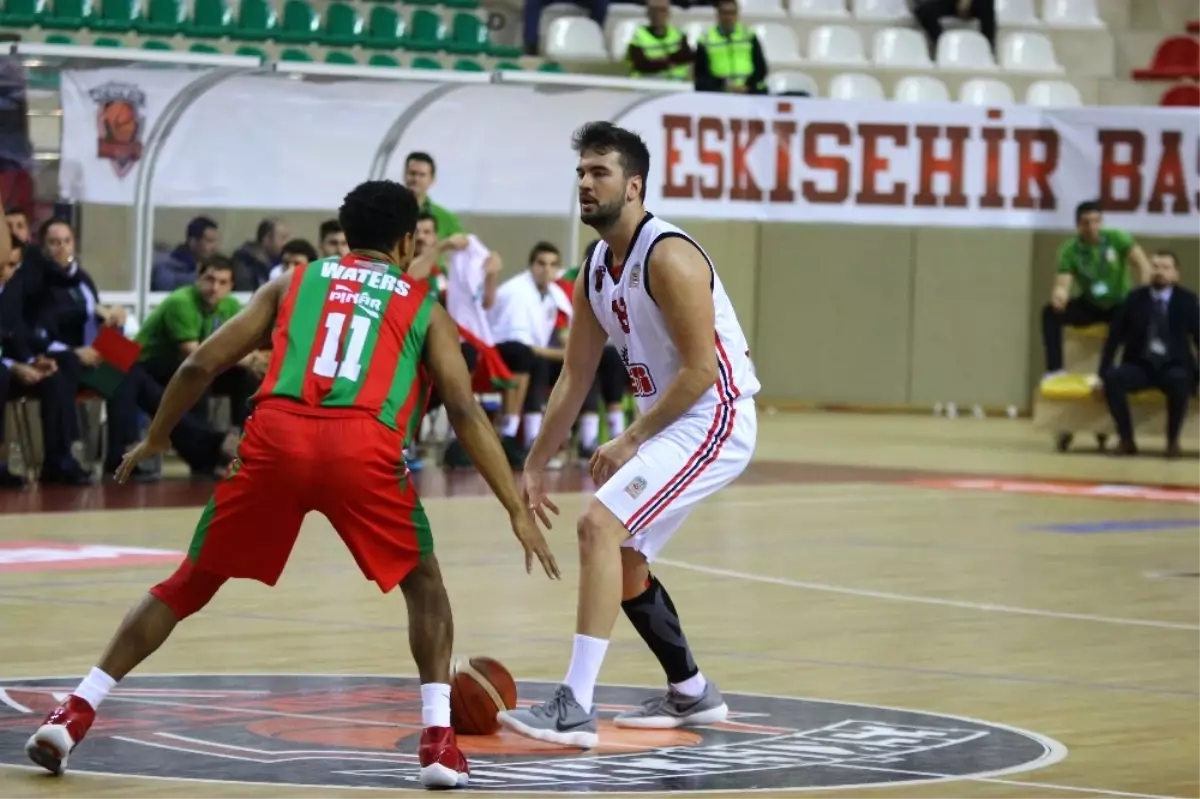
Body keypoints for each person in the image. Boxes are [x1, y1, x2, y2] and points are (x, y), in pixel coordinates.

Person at [24, 180, 559, 789]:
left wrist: (156, 438)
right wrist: (514, 504)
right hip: (362, 444)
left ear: (347, 233)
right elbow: (463, 412)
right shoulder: (423, 306)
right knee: (425, 586)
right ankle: (438, 744)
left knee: (189, 582)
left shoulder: (293, 282)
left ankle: (74, 713)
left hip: (276, 435)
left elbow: (201, 363)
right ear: (408, 241)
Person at [497, 122, 760, 747]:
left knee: (598, 525)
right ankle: (693, 692)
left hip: (715, 416)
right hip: (676, 420)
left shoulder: (669, 256)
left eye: (600, 173)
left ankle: (574, 705)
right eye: (580, 174)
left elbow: (701, 372)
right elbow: (575, 374)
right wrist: (533, 463)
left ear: (634, 185)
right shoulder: (593, 267)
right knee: (624, 558)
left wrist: (631, 438)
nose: (585, 185)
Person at [137, 255, 266, 439]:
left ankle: (242, 438)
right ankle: (204, 446)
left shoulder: (230, 305)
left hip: (196, 364)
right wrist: (246, 359)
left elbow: (239, 343)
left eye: (223, 282)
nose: (215, 288)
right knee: (199, 374)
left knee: (246, 376)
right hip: (150, 364)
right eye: (210, 279)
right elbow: (193, 353)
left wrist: (254, 359)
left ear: (231, 286)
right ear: (198, 277)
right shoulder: (181, 302)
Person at [1097, 251, 1200, 459]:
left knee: (1180, 381)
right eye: (1154, 266)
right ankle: (1126, 439)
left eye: (1165, 267)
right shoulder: (1134, 298)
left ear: (1176, 274)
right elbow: (1114, 337)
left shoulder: (1187, 300)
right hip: (1140, 365)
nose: (1159, 272)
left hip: (1174, 366)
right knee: (1113, 379)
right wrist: (1102, 371)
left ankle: (1172, 441)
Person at [1042, 202, 1151, 378]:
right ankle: (1055, 369)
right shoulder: (1069, 250)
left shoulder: (1117, 237)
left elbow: (1142, 264)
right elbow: (1063, 284)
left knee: (1141, 315)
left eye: (1096, 221)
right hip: (1091, 304)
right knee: (1050, 313)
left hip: (1120, 304)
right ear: (1078, 225)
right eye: (1086, 223)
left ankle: (1136, 369)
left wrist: (1146, 286)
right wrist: (1059, 295)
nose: (1092, 227)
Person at [694, 0, 768, 95]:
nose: (728, 17)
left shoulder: (749, 36)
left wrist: (746, 86)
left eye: (732, 13)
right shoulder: (705, 39)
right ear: (718, 14)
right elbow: (701, 72)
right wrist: (724, 84)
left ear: (737, 14)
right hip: (718, 90)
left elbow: (761, 68)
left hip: (748, 89)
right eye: (725, 13)